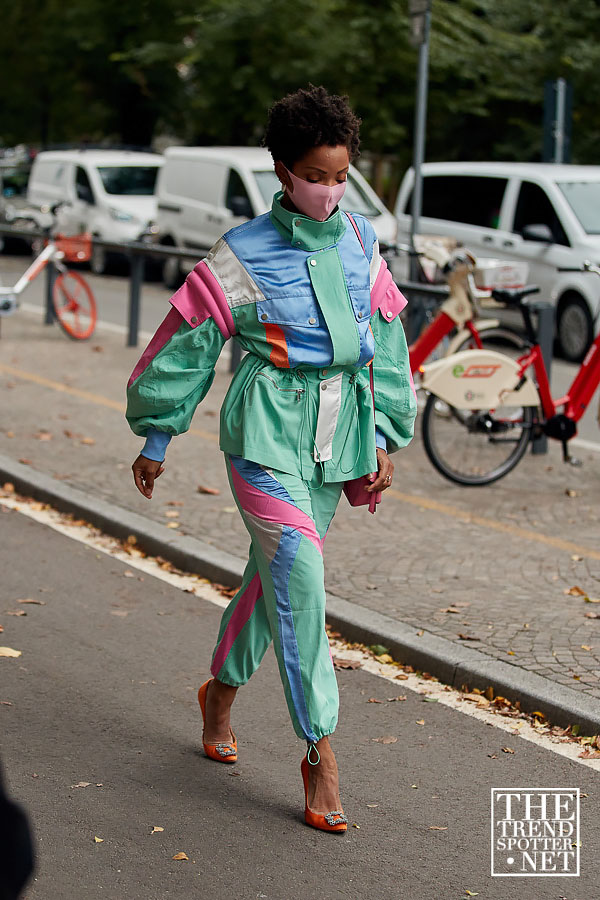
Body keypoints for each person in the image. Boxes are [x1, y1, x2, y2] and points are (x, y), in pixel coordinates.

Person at [126, 85, 416, 833]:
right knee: (303, 579)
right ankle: (320, 749)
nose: (329, 190)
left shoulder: (360, 240)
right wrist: (158, 435)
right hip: (262, 438)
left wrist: (383, 431)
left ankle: (219, 689)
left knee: (274, 579)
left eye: (341, 175)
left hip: (337, 439)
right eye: (316, 175)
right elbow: (186, 345)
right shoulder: (243, 252)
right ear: (284, 171)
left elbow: (384, 340)